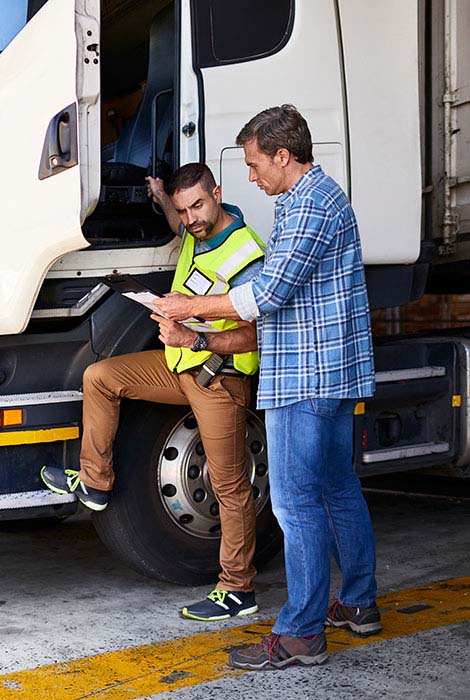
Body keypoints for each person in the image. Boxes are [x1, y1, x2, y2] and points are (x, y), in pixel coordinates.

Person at [155, 105, 382, 669]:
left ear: (284, 155)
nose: (251, 178)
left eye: (256, 164)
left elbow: (266, 296)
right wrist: (199, 331)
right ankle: (358, 604)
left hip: (305, 377)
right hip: (324, 373)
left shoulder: (309, 205)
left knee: (295, 502)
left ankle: (301, 634)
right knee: (335, 487)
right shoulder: (313, 201)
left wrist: (189, 307)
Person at [41, 163, 266, 622]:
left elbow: (256, 336)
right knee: (100, 377)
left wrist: (196, 338)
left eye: (198, 206)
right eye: (184, 211)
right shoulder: (194, 232)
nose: (191, 219)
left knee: (229, 487)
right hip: (181, 367)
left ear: (218, 194)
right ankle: (95, 483)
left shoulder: (246, 255)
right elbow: (176, 222)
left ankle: (238, 588)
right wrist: (162, 197)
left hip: (219, 380)